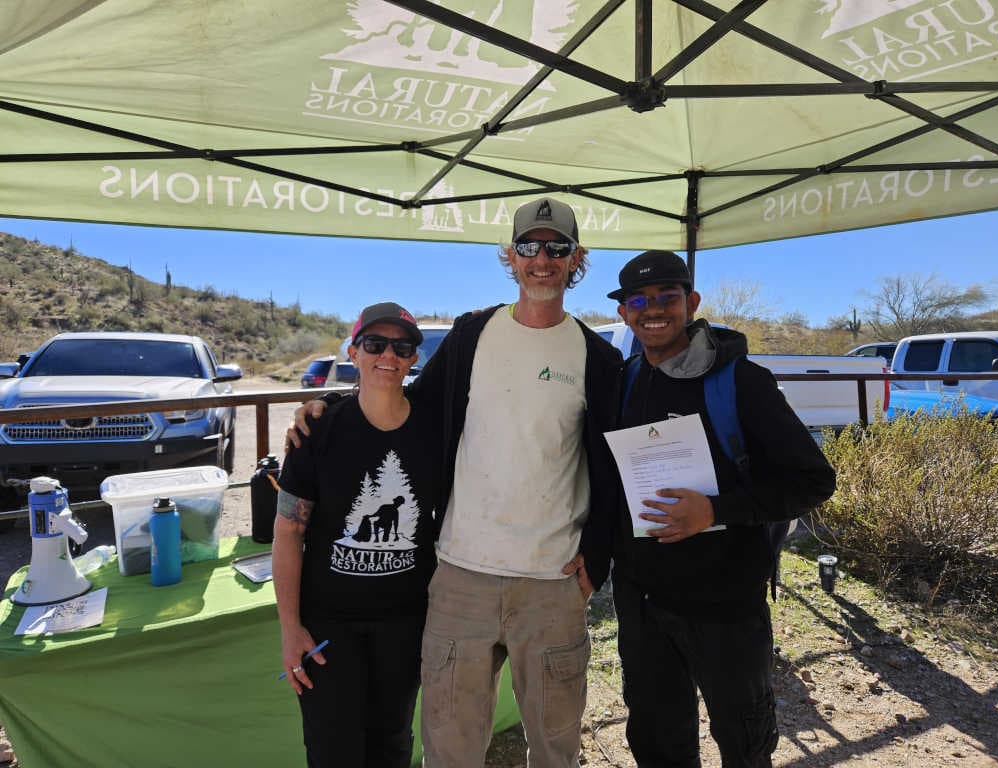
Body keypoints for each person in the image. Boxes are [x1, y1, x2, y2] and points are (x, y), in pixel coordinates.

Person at [290, 198, 622, 768]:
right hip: (461, 578)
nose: (542, 259)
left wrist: (599, 557)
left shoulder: (596, 356)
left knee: (554, 748)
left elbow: (614, 464)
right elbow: (406, 410)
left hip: (551, 583)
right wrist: (330, 408)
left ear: (576, 260)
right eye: (529, 247)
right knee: (449, 748)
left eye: (556, 248)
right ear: (510, 258)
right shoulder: (472, 335)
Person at [605, 250, 837, 767]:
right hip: (642, 600)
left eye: (667, 297)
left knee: (744, 741)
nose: (653, 310)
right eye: (638, 300)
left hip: (725, 603)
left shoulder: (740, 381)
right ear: (624, 313)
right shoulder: (622, 382)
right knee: (657, 739)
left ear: (691, 303)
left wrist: (715, 511)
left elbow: (813, 481)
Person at [273, 302, 441, 768]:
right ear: (353, 352)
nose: (388, 354)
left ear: (413, 359)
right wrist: (290, 628)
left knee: (391, 741)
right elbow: (288, 532)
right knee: (332, 748)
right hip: (328, 627)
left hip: (405, 622)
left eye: (402, 346)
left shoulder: (434, 428)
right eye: (375, 344)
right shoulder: (318, 430)